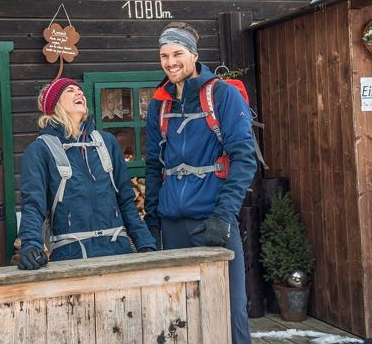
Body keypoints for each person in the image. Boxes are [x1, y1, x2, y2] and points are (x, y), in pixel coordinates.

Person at [145, 22, 257, 344]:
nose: (170, 62)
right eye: (164, 55)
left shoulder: (222, 94)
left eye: (177, 53)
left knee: (229, 309)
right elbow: (154, 166)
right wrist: (152, 220)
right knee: (179, 314)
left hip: (212, 221)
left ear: (193, 55)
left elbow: (244, 158)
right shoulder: (159, 104)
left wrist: (223, 216)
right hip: (172, 224)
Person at [18, 77, 156, 270]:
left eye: (80, 90)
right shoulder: (40, 150)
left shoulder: (107, 143)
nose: (79, 93)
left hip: (118, 252)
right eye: (70, 91)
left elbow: (125, 199)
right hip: (71, 256)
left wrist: (145, 243)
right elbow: (33, 204)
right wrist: (30, 246)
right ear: (54, 104)